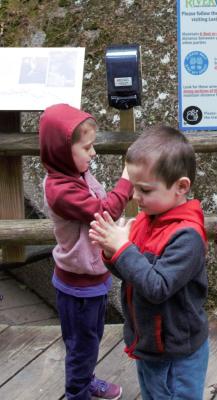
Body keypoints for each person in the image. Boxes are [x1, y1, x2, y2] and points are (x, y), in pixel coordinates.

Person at [89, 126, 209, 400]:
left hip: (176, 351)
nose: (134, 197)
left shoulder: (186, 236)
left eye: (144, 189)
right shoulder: (147, 217)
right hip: (149, 344)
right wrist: (111, 251)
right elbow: (132, 272)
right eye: (133, 187)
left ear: (181, 187)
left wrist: (123, 248)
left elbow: (157, 286)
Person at [39, 103, 133, 400]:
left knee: (90, 339)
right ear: (62, 152)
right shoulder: (60, 189)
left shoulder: (76, 175)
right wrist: (127, 179)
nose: (93, 154)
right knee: (81, 344)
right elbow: (104, 211)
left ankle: (86, 379)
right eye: (87, 148)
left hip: (92, 277)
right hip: (77, 286)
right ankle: (76, 393)